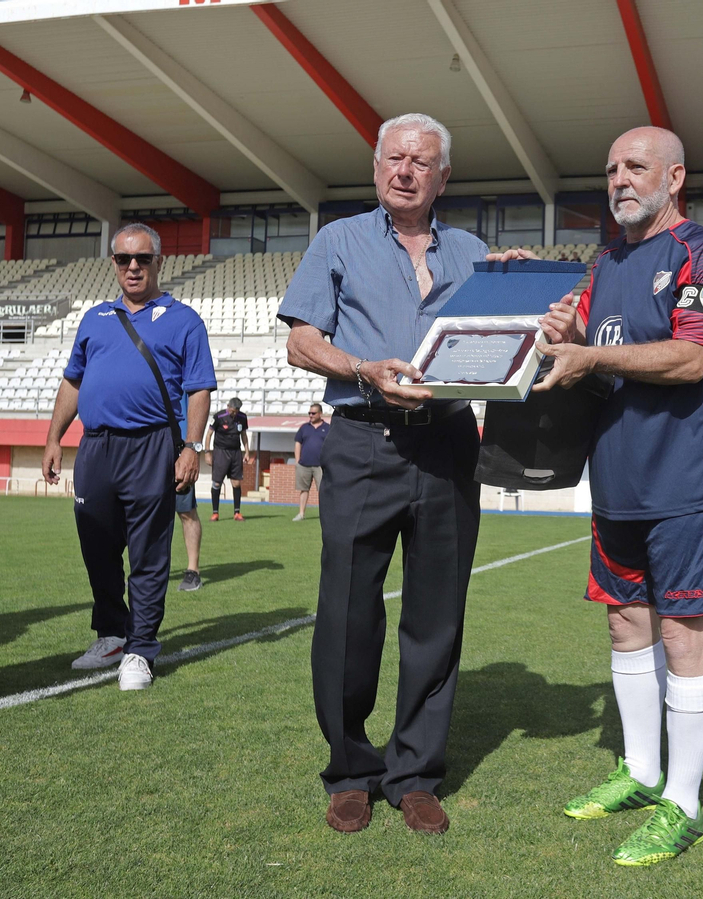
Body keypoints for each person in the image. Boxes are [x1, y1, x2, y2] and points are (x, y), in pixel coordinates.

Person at [281, 113, 524, 836]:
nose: (405, 170)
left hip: (449, 442)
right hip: (361, 442)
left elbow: (508, 343)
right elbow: (300, 342)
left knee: (437, 615)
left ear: (442, 176)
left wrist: (516, 291)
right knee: (350, 613)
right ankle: (351, 770)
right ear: (377, 166)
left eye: (421, 161)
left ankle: (415, 771)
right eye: (394, 157)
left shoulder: (475, 251)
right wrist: (362, 368)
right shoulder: (339, 240)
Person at [536, 126, 703, 866]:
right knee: (628, 624)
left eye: (636, 166)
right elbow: (599, 349)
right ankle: (641, 770)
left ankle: (682, 803)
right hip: (617, 475)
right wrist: (573, 329)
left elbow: (689, 357)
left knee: (684, 633)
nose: (619, 178)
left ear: (674, 176)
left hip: (683, 477)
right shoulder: (608, 258)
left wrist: (590, 347)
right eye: (612, 168)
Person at [43, 223, 215, 689]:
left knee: (148, 552)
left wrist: (191, 447)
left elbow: (198, 389)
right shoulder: (94, 319)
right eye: (123, 259)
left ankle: (140, 650)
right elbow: (72, 381)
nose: (133, 267)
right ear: (114, 264)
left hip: (154, 446)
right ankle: (111, 634)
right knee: (97, 547)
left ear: (160, 262)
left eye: (142, 259)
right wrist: (55, 437)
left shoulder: (185, 321)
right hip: (95, 447)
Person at [208, 397, 251, 522]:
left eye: (236, 411)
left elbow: (243, 435)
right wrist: (207, 452)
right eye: (232, 411)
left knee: (236, 483)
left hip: (236, 452)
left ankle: (237, 512)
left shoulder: (242, 417)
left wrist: (247, 452)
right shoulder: (218, 417)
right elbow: (209, 434)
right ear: (228, 406)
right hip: (220, 452)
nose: (234, 413)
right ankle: (215, 513)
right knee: (217, 483)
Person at [291, 403, 328, 522]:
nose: (311, 415)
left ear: (320, 413)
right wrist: (297, 461)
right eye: (309, 413)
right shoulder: (304, 428)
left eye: (313, 413)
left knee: (323, 491)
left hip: (320, 466)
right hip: (304, 465)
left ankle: (325, 515)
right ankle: (301, 514)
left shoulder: (327, 428)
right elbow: (298, 443)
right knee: (303, 490)